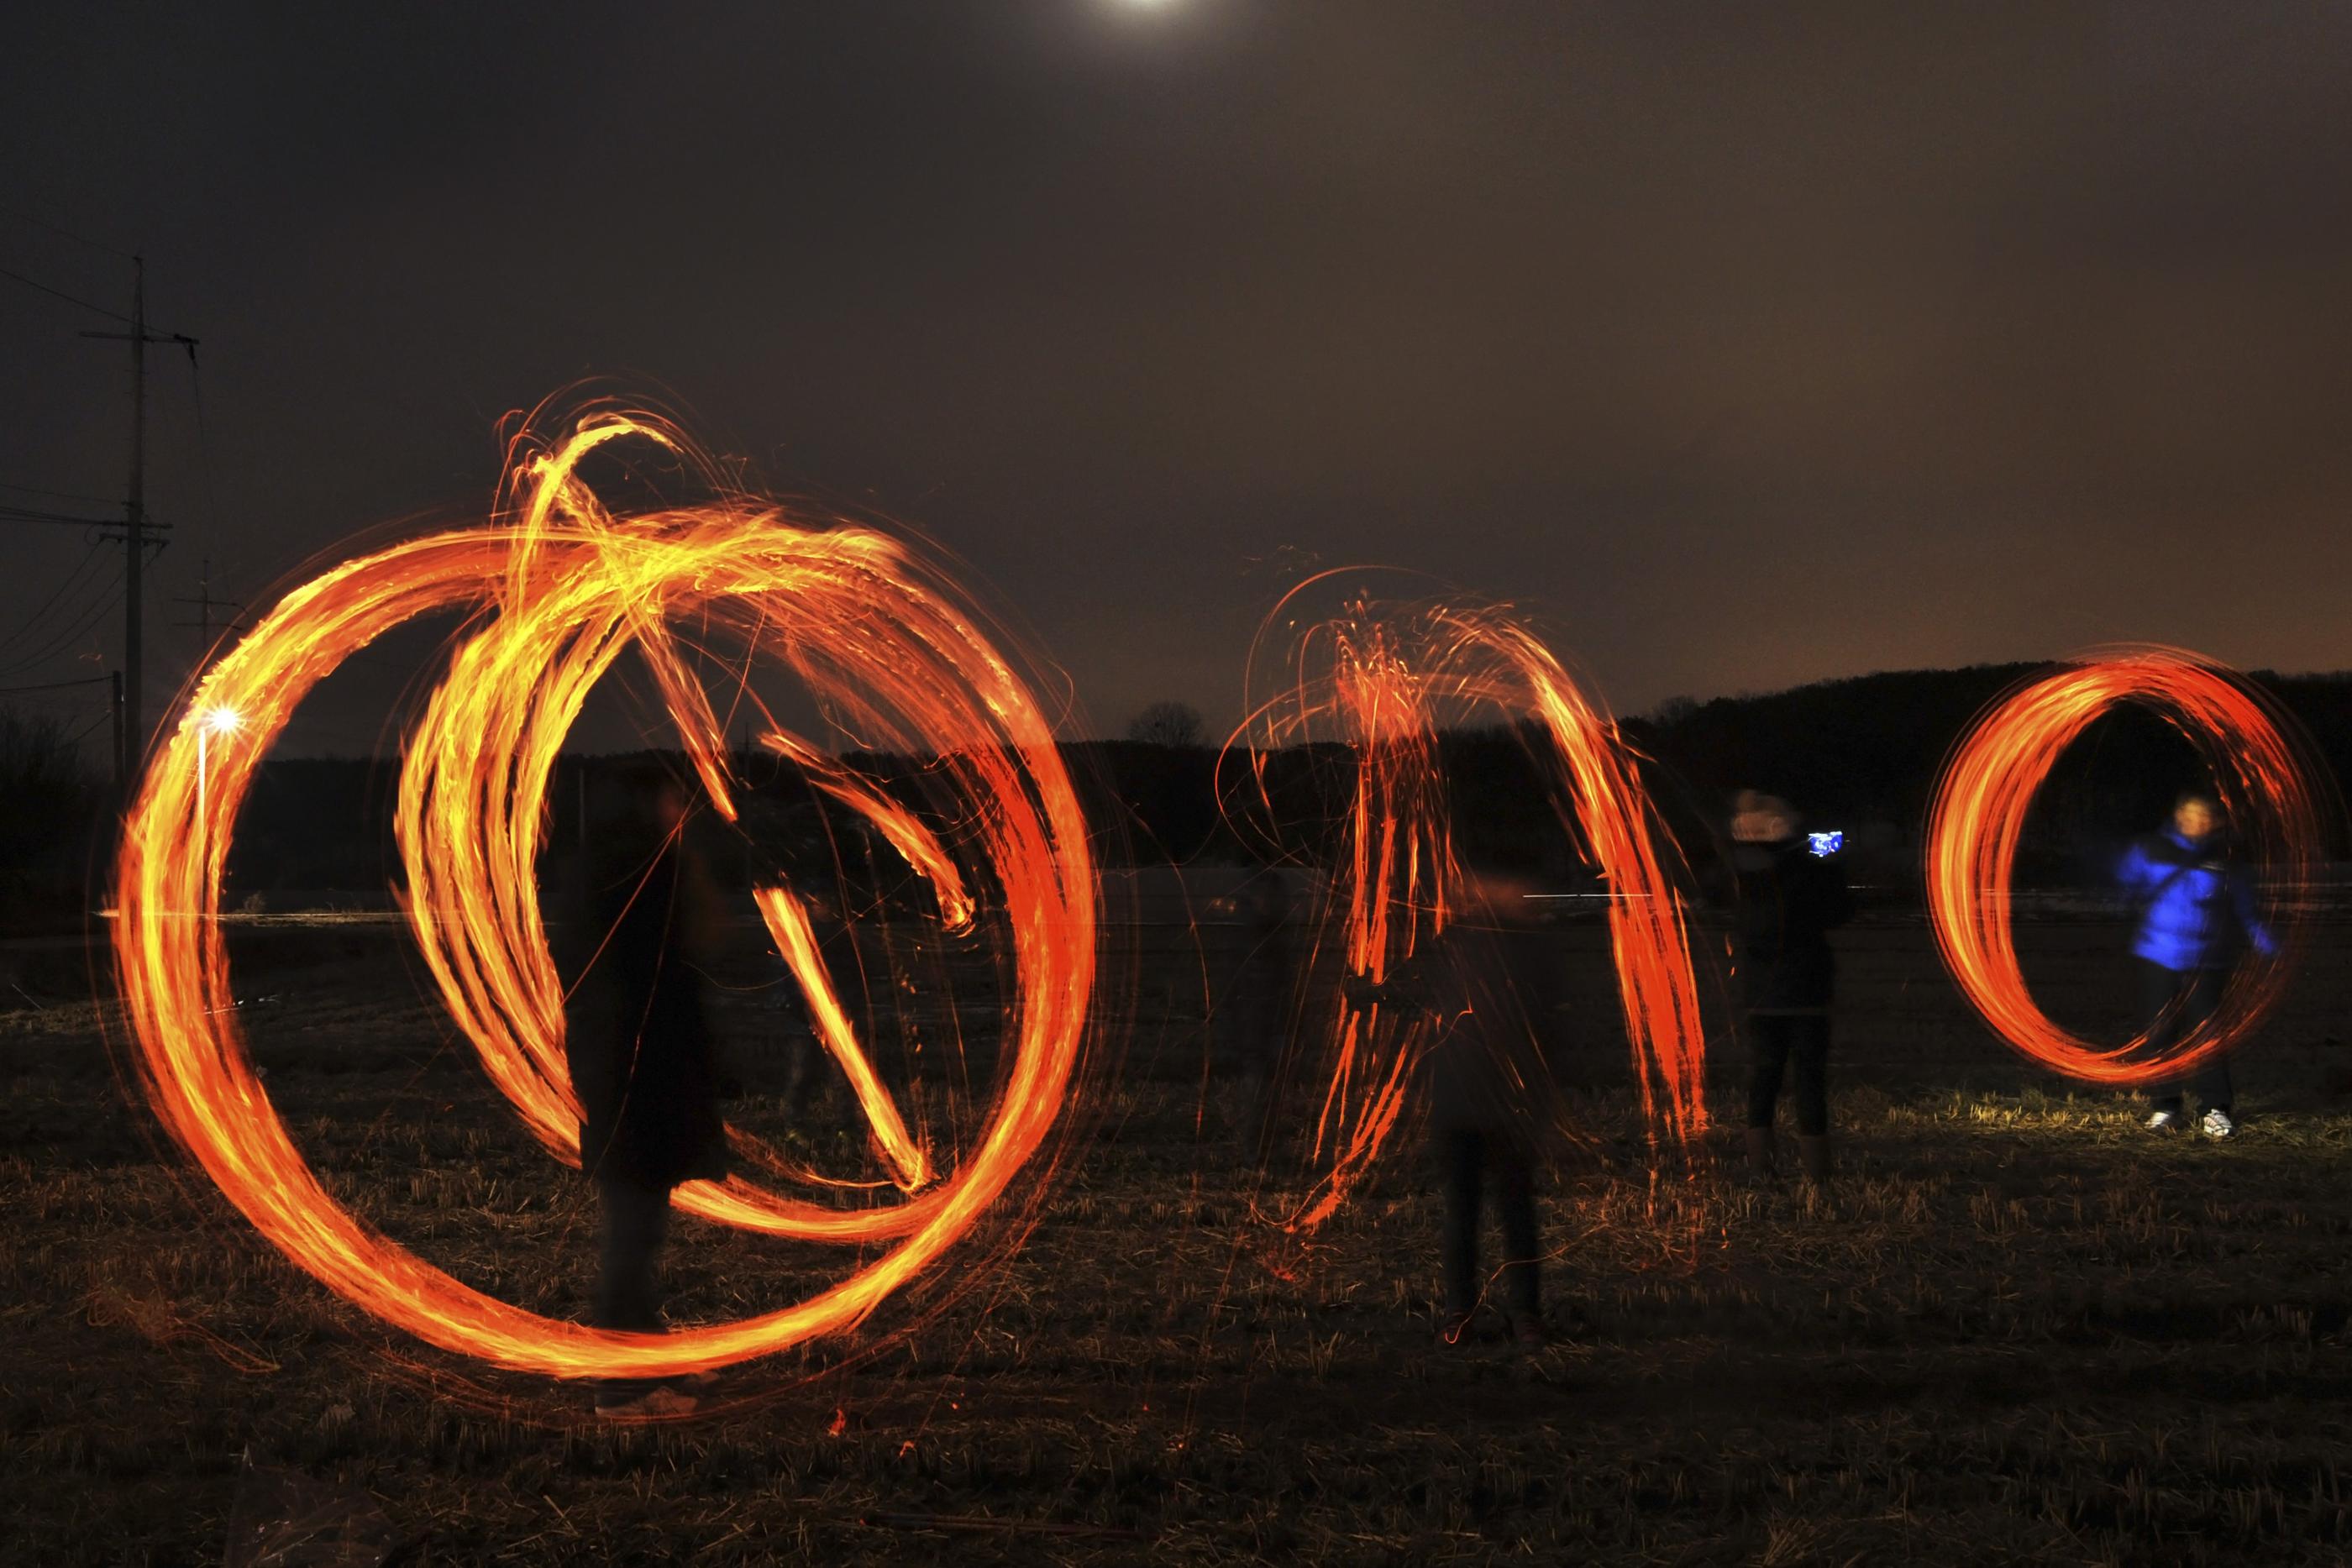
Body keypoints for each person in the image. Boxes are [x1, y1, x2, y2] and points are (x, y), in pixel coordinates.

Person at [556, 763, 729, 1419]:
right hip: (633, 1086)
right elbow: (652, 983)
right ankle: (621, 1389)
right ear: (647, 801)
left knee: (641, 1228)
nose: (683, 808)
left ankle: (653, 1356)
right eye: (674, 796)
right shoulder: (634, 881)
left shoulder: (622, 872)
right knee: (630, 1234)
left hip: (638, 1082)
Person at [2119, 790, 2275, 1139]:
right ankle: (2166, 1106)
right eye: (2190, 815)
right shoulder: (2152, 851)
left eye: (2204, 817)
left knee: (2207, 1035)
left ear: (2215, 822)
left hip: (2207, 959)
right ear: (2178, 817)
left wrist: (2262, 937)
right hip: (2159, 955)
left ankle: (2215, 1110)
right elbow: (2126, 882)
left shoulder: (2226, 859)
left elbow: (2245, 906)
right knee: (2161, 1032)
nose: (2196, 822)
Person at [1726, 791, 1853, 1183]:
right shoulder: (1804, 866)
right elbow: (1840, 910)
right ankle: (1818, 1175)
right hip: (1807, 991)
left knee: (1764, 1077)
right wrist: (1829, 862)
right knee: (1809, 1079)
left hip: (1761, 995)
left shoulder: (1738, 870)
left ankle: (1761, 1167)